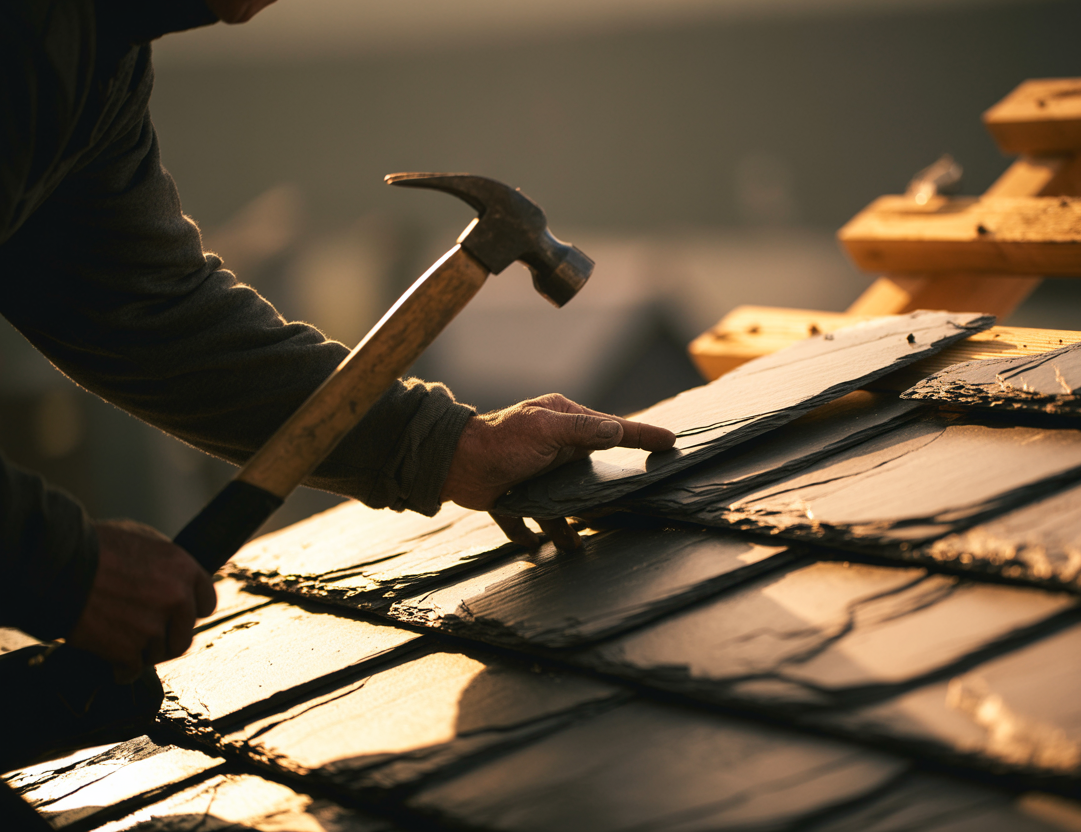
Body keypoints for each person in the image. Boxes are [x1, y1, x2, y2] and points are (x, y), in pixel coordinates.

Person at [0, 0, 676, 769]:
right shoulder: (25, 37)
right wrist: (53, 562)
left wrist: (444, 443)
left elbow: (143, 309)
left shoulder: (97, 57)